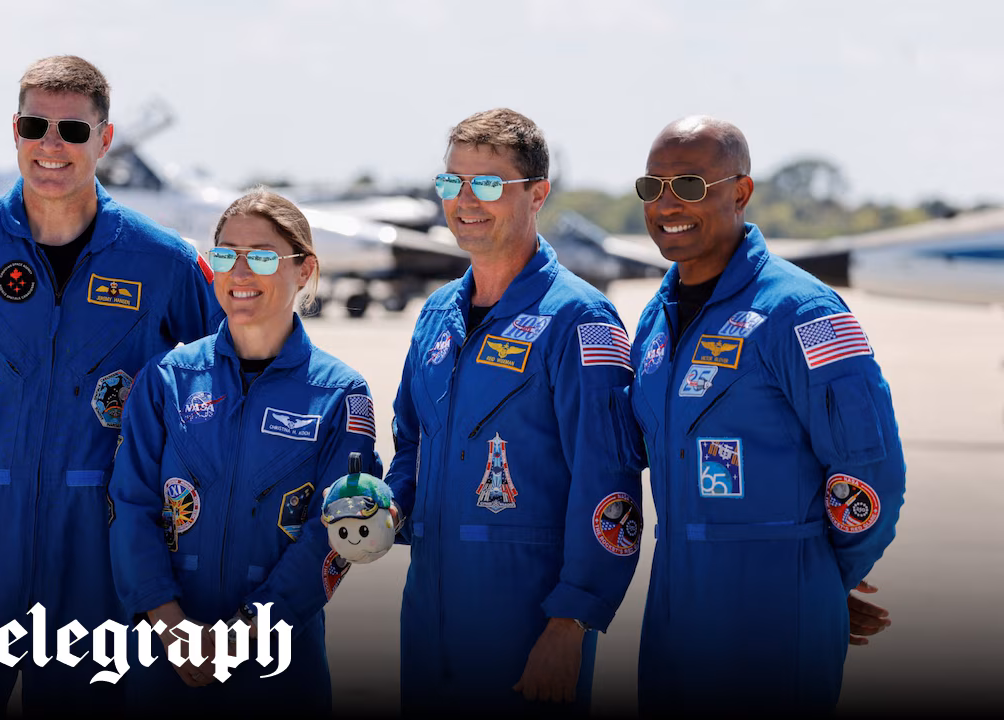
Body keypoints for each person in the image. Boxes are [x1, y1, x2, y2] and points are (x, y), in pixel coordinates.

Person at [0, 55, 219, 716]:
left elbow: (222, 403)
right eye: (36, 126)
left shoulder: (165, 263)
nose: (51, 145)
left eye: (73, 131)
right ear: (15, 131)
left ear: (105, 141)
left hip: (104, 551)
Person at [628, 116, 906, 714]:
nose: (667, 203)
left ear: (741, 191)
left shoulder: (800, 311)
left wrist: (818, 578)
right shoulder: (654, 322)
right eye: (653, 187)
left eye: (691, 185)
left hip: (775, 622)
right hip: (675, 612)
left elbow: (870, 470)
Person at [385, 108, 645, 714]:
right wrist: (390, 505)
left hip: (527, 627)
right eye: (452, 182)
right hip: (429, 621)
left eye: (488, 184)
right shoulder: (436, 315)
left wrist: (571, 622)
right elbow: (413, 443)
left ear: (536, 195)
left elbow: (607, 484)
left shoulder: (580, 321)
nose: (465, 200)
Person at [108, 189, 383, 713]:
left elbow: (332, 532)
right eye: (225, 255)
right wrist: (170, 627)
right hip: (162, 653)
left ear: (304, 270)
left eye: (260, 256)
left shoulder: (341, 395)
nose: (239, 272)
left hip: (279, 662)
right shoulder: (168, 378)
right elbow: (128, 506)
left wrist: (248, 633)